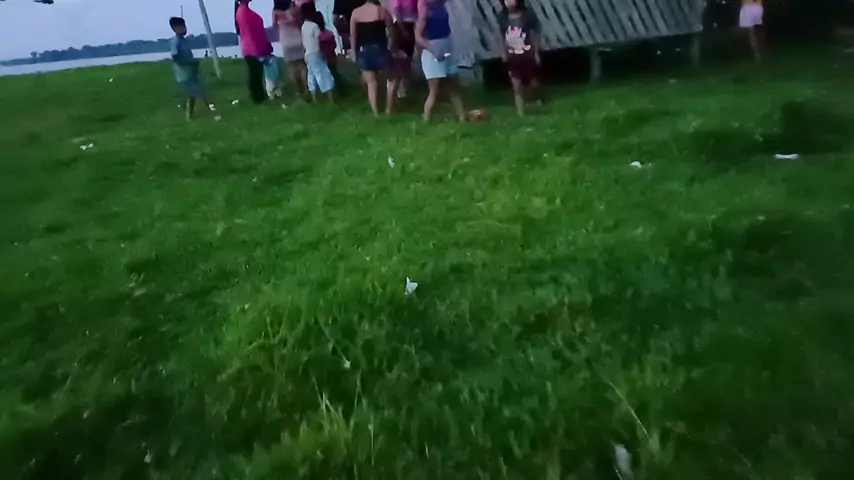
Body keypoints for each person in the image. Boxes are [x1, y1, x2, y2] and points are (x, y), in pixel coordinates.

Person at [416, 0, 465, 122]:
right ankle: (426, 119)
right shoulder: (426, 9)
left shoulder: (442, 6)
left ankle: (462, 117)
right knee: (434, 89)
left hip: (447, 46)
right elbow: (418, 37)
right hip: (432, 49)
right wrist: (433, 50)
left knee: (453, 86)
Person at [350, 0, 397, 116]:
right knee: (392, 79)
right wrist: (392, 47)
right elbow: (391, 31)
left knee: (371, 83)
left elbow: (353, 35)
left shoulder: (356, 12)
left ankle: (375, 113)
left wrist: (354, 52)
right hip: (380, 49)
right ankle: (388, 109)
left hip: (364, 51)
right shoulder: (382, 11)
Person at [498, 0, 541, 116]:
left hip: (527, 54)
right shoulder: (502, 17)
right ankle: (520, 112)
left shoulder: (527, 14)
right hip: (512, 55)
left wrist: (536, 52)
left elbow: (535, 34)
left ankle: (534, 99)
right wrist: (503, 52)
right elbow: (502, 36)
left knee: (532, 82)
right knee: (516, 85)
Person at [169, 17, 215, 120]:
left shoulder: (184, 41)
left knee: (192, 95)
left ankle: (189, 116)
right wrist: (188, 63)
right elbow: (175, 57)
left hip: (191, 73)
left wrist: (193, 62)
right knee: (200, 92)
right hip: (184, 74)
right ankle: (210, 113)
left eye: (185, 26)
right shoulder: (176, 42)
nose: (184, 28)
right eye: (181, 27)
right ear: (175, 29)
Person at [235, 0, 274, 104]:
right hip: (252, 48)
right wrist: (255, 49)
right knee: (255, 74)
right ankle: (257, 97)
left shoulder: (244, 11)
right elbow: (248, 31)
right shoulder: (242, 12)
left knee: (257, 73)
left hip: (255, 46)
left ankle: (260, 96)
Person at [273, 0, 308, 98]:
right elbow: (300, 23)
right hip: (298, 38)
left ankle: (299, 91)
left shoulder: (276, 12)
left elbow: (274, 26)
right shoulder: (295, 9)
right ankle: (307, 89)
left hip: (286, 41)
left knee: (292, 68)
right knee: (302, 67)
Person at [301, 6, 336, 102]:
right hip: (315, 53)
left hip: (307, 53)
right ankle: (331, 99)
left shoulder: (303, 26)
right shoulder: (314, 26)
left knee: (311, 76)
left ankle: (315, 99)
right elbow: (318, 40)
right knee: (324, 75)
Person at [390, 0, 418, 99]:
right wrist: (403, 30)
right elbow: (396, 12)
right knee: (400, 58)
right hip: (401, 25)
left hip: (411, 24)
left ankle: (403, 87)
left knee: (408, 58)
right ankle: (397, 86)